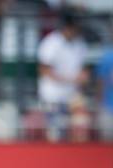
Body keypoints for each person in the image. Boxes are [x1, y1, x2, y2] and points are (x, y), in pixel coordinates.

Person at [37, 11, 89, 141]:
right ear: (66, 27)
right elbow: (44, 70)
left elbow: (84, 69)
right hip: (53, 96)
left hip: (72, 95)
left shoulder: (80, 44)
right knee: (56, 134)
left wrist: (82, 78)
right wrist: (69, 79)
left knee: (80, 131)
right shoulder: (51, 43)